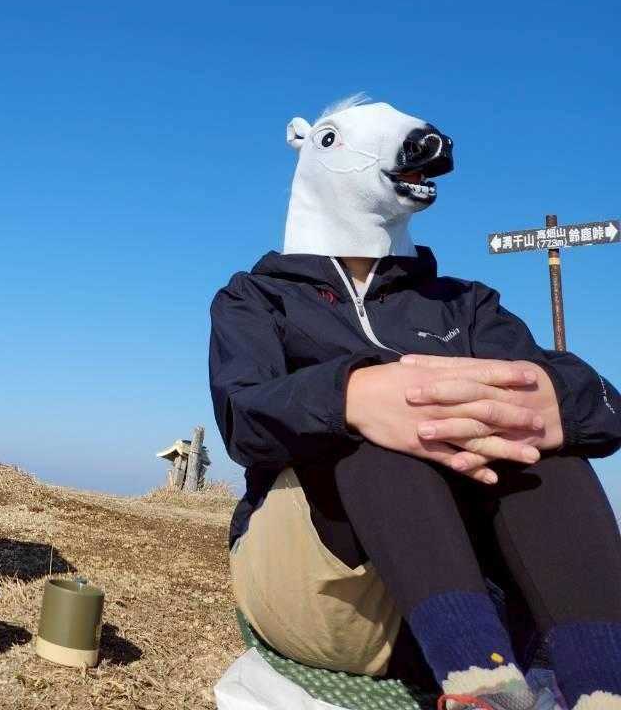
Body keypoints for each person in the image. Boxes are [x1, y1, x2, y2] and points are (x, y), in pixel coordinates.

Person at [210, 98, 621, 710]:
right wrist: (351, 395)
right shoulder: (255, 298)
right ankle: (478, 683)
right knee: (377, 425)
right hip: (331, 596)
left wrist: (556, 402)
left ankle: (602, 688)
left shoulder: (467, 304)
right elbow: (243, 420)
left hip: (482, 600)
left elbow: (606, 408)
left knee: (531, 435)